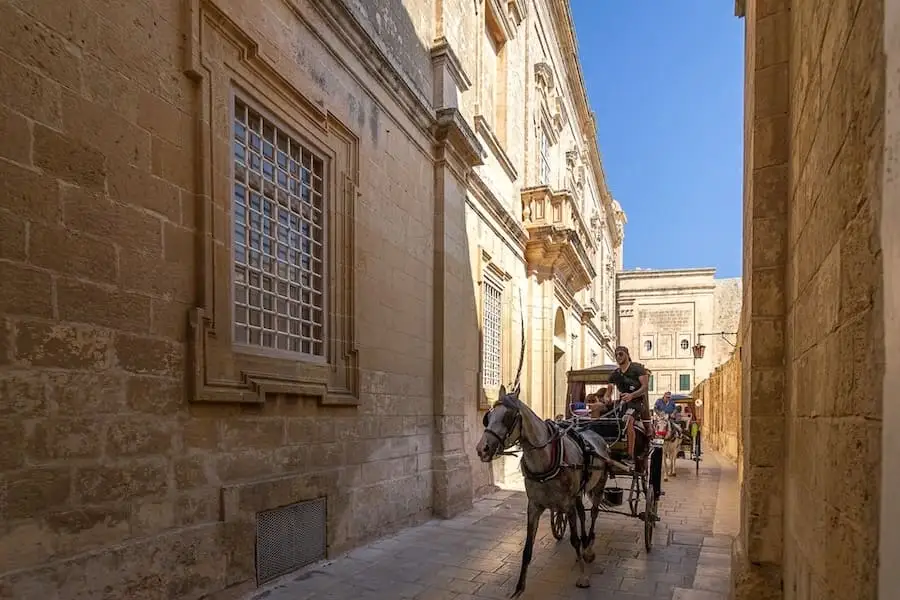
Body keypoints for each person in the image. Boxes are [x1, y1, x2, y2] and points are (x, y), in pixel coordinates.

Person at [603, 346, 650, 468]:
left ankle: (630, 455)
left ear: (627, 355)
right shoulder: (615, 374)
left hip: (637, 402)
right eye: (616, 355)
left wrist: (632, 395)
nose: (618, 357)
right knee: (597, 409)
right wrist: (606, 397)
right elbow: (609, 389)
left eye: (621, 354)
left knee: (628, 418)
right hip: (622, 402)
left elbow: (645, 387)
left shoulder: (637, 368)